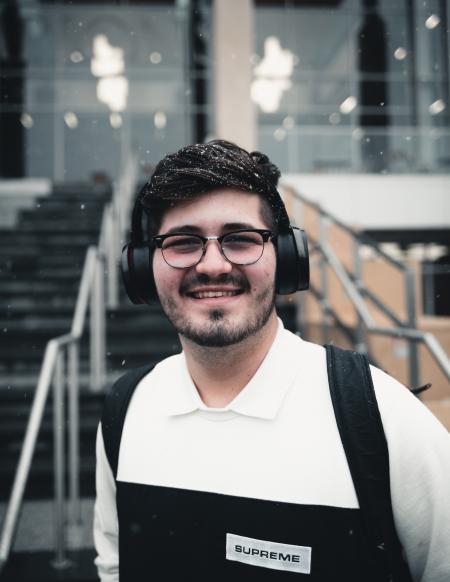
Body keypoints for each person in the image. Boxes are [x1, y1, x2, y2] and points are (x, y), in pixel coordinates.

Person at [94, 140, 450, 582]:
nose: (212, 266)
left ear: (285, 258)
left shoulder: (383, 417)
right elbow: (114, 568)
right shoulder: (125, 410)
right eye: (183, 243)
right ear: (143, 266)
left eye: (240, 239)